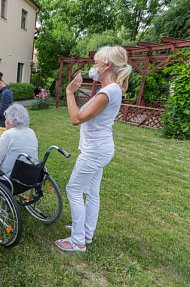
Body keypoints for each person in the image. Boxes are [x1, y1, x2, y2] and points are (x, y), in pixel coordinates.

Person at [54, 46, 132, 253]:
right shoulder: (111, 89)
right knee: (92, 192)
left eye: (97, 63)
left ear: (107, 65)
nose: (93, 67)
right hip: (101, 149)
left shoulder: (108, 91)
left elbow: (76, 119)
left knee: (74, 189)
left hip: (95, 151)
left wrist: (69, 92)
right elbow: (85, 114)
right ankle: (86, 232)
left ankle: (77, 241)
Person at [0, 103, 38, 177]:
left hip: (10, 179)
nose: (5, 122)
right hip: (31, 175)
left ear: (12, 120)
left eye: (6, 119)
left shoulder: (8, 134)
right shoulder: (31, 131)